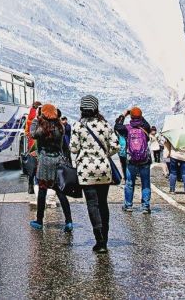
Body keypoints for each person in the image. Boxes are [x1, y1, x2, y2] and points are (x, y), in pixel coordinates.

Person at [70, 95, 119, 253]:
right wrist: (104, 154)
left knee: (92, 204)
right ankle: (105, 238)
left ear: (82, 109)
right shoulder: (105, 124)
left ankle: (99, 241)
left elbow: (73, 148)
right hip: (104, 169)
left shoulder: (78, 126)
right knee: (103, 203)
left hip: (86, 171)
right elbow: (116, 146)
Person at [29, 104, 74, 232]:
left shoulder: (42, 128)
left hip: (44, 162)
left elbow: (32, 134)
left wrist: (36, 119)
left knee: (42, 191)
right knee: (60, 192)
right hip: (58, 160)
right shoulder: (60, 127)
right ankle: (69, 221)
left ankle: (39, 221)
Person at [115, 107, 153, 214]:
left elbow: (117, 126)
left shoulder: (127, 128)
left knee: (130, 183)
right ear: (141, 116)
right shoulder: (145, 128)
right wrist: (139, 115)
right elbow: (145, 122)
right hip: (145, 160)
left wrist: (124, 114)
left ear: (131, 117)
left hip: (131, 160)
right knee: (145, 183)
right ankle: (145, 206)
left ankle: (128, 205)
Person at [25, 101, 42, 195]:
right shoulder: (38, 119)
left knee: (32, 166)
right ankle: (36, 187)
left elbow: (27, 131)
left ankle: (30, 187)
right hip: (37, 145)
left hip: (31, 145)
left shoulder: (30, 117)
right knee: (38, 167)